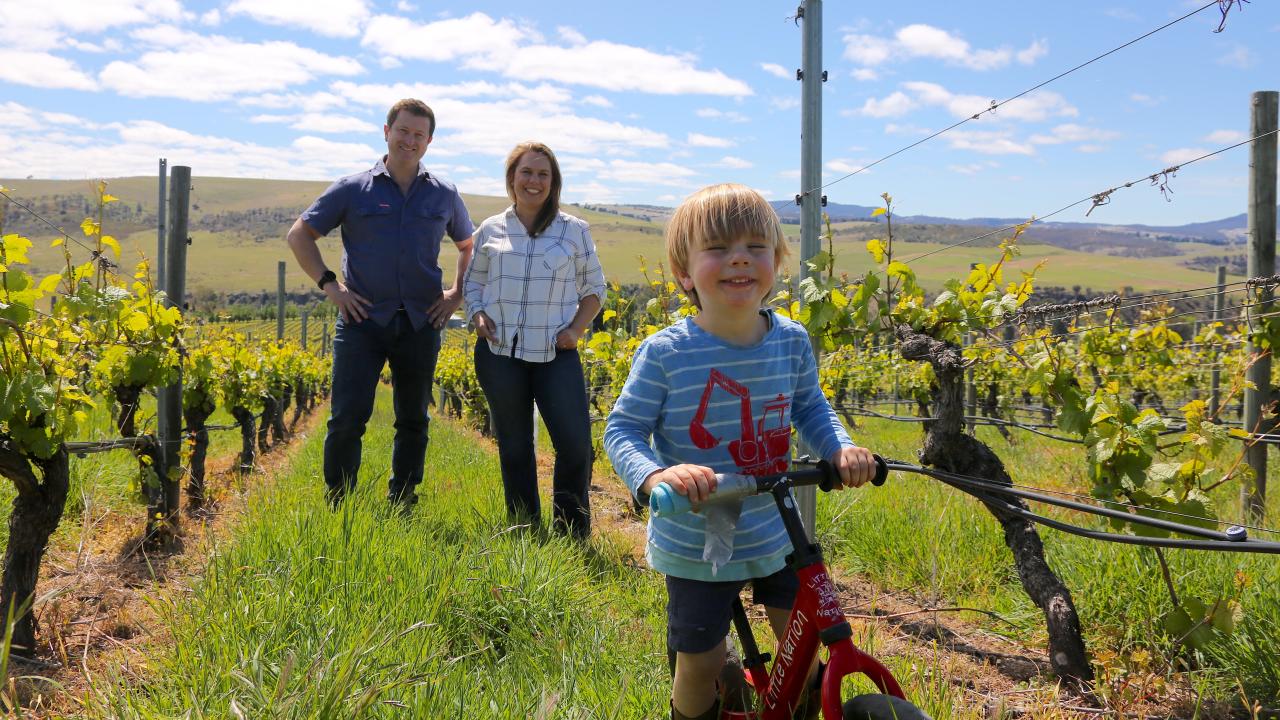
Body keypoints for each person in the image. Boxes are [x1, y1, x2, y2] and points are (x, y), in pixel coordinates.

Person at [603, 184, 876, 720]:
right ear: (684, 272)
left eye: (756, 246)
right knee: (699, 663)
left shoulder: (790, 341)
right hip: (696, 538)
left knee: (802, 645)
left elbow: (812, 408)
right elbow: (623, 430)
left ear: (776, 262)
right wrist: (658, 475)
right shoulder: (666, 354)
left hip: (776, 530)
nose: (738, 258)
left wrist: (841, 449)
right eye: (718, 248)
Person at [286, 98, 474, 508]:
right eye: (403, 131)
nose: (410, 140)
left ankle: (403, 501)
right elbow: (299, 235)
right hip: (362, 321)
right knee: (346, 419)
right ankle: (340, 504)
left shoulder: (444, 194)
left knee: (413, 420)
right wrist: (330, 286)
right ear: (386, 132)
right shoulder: (353, 188)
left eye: (418, 135)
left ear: (429, 141)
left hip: (422, 322)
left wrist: (456, 294)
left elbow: (468, 245)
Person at [463, 142, 606, 540]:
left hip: (555, 353)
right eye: (527, 172)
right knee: (514, 447)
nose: (534, 181)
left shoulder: (574, 230)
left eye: (544, 174)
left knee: (576, 446)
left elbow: (595, 289)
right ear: (512, 178)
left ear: (553, 182)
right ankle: (525, 529)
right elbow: (473, 282)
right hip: (499, 353)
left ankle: (571, 533)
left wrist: (575, 331)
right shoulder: (490, 228)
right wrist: (477, 313)